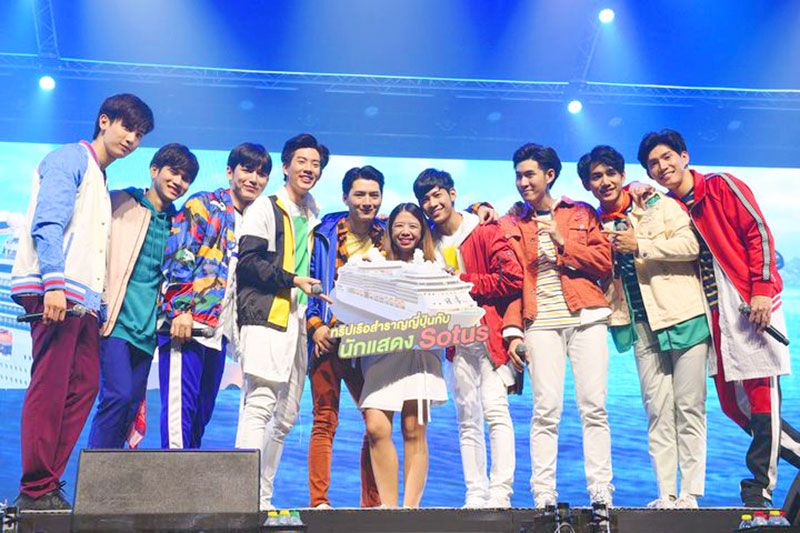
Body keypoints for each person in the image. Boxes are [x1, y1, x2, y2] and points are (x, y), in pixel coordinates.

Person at [637, 129, 800, 507]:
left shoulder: (721, 186)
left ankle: (759, 488)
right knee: (732, 405)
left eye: (667, 157)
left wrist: (761, 289)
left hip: (750, 302)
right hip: (715, 317)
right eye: (652, 165)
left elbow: (758, 232)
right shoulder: (671, 207)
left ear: (684, 156)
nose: (661, 167)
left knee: (762, 398)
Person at [11, 93, 154, 510]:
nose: (132, 139)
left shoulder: (100, 177)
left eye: (139, 134)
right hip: (57, 292)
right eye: (127, 127)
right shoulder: (69, 158)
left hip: (83, 302)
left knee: (85, 386)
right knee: (51, 388)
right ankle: (35, 488)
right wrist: (53, 283)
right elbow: (48, 222)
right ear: (104, 121)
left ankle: (45, 483)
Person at [579, 145, 709, 509]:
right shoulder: (593, 225)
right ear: (588, 185)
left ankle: (690, 494)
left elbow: (691, 245)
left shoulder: (656, 204)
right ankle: (666, 492)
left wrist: (641, 244)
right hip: (639, 324)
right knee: (657, 411)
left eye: (611, 173)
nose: (605, 182)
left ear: (623, 175)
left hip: (683, 316)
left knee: (689, 407)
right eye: (596, 177)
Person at [501, 143, 614, 508]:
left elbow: (605, 262)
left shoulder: (580, 212)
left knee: (593, 406)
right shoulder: (511, 222)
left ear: (549, 175)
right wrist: (513, 331)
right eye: (518, 176)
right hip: (540, 323)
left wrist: (564, 244)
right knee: (545, 409)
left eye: (529, 174)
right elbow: (511, 282)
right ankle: (544, 493)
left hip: (586, 317)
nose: (523, 182)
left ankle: (601, 491)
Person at [413, 168, 523, 508]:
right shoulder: (427, 241)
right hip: (455, 341)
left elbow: (513, 279)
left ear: (452, 194)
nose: (432, 203)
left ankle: (501, 492)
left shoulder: (483, 229)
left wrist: (463, 280)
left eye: (437, 195)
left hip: (489, 335)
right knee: (467, 418)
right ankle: (475, 492)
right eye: (425, 199)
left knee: (495, 411)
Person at [235, 133, 328, 510]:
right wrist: (292, 280)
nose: (309, 169)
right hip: (266, 318)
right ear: (286, 166)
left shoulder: (314, 214)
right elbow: (248, 262)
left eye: (315, 164)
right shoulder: (265, 207)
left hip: (298, 323)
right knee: (259, 406)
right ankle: (243, 499)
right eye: (301, 162)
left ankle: (262, 497)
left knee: (286, 417)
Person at [159, 142, 271, 449]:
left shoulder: (257, 219)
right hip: (188, 325)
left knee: (200, 416)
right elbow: (179, 254)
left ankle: (191, 477)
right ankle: (172, 477)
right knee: (179, 418)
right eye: (247, 170)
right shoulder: (204, 204)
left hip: (219, 333)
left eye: (261, 174)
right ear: (230, 172)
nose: (253, 179)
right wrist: (181, 309)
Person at [88, 143, 198, 449]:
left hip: (149, 330)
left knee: (130, 405)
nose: (178, 182)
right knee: (117, 396)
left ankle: (111, 472)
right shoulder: (120, 202)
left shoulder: (180, 224)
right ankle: (95, 472)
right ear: (154, 170)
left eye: (186, 178)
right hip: (115, 320)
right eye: (173, 172)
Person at [360, 202, 448, 508]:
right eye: (399, 225)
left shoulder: (434, 267)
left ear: (422, 231)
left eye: (413, 226)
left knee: (414, 429)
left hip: (419, 355)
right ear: (389, 229)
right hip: (381, 355)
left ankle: (410, 511)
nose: (406, 232)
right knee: (376, 427)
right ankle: (389, 508)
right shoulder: (372, 263)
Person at [306, 166, 385, 508]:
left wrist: (478, 208)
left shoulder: (387, 235)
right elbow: (309, 281)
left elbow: (429, 224)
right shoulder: (323, 233)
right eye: (359, 194)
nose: (367, 201)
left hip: (368, 344)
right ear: (345, 197)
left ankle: (372, 504)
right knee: (324, 419)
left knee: (376, 423)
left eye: (373, 195)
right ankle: (319, 503)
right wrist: (315, 326)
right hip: (327, 339)